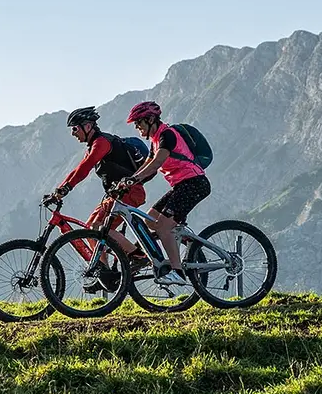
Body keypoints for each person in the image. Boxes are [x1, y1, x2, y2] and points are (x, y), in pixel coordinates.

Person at [48, 106, 146, 290]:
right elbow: (77, 169)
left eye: (75, 128)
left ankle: (138, 256)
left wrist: (66, 189)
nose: (72, 133)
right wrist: (59, 190)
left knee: (99, 229)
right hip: (115, 195)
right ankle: (105, 275)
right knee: (91, 229)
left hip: (130, 192)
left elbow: (85, 169)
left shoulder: (102, 142)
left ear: (87, 126)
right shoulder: (93, 145)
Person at [121, 101, 211, 286]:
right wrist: (127, 182)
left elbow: (157, 163)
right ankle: (179, 242)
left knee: (162, 226)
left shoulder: (167, 135)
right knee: (150, 219)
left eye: (139, 122)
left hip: (194, 183)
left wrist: (133, 180)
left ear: (151, 119)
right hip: (182, 186)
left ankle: (177, 272)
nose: (137, 127)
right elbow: (148, 166)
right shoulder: (155, 141)